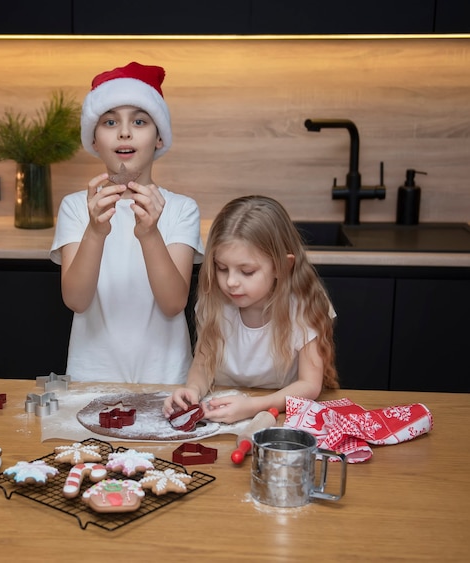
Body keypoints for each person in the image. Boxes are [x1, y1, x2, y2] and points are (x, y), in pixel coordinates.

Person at [50, 61, 204, 384]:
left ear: (159, 138)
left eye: (139, 120)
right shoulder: (77, 208)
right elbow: (76, 299)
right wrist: (95, 232)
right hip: (89, 381)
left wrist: (149, 234)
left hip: (166, 382)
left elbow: (174, 303)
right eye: (109, 121)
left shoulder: (180, 210)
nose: (124, 131)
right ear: (94, 140)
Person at [163, 195, 339, 423]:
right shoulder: (214, 298)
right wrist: (193, 390)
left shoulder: (304, 304)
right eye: (222, 268)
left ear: (281, 267)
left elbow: (310, 385)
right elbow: (204, 362)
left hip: (278, 414)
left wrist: (253, 406)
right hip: (221, 407)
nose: (231, 282)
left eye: (246, 271)